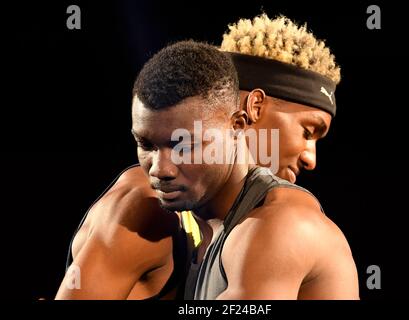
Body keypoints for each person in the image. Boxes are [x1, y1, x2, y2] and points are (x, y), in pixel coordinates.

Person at [57, 14, 358, 300]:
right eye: (307, 131)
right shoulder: (150, 204)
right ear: (252, 109)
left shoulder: (278, 222)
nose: (310, 158)